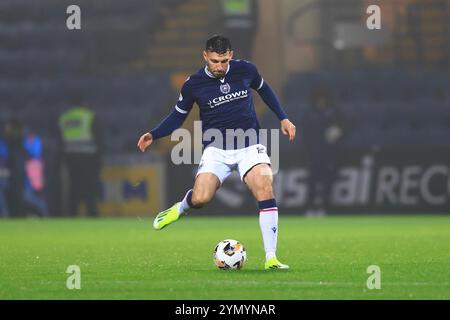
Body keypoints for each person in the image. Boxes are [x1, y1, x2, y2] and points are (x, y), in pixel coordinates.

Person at [137, 35, 296, 270]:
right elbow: (178, 116)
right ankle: (180, 208)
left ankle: (271, 257)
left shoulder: (246, 70)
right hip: (216, 150)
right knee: (201, 198)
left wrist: (283, 117)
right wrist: (154, 134)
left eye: (223, 61)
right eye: (214, 61)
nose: (219, 66)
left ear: (230, 55)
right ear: (205, 56)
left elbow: (266, 91)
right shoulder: (194, 84)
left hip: (249, 145)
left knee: (264, 185)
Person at [301, 88, 345, 217]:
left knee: (328, 182)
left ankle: (326, 208)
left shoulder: (334, 113)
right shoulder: (309, 114)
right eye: (318, 99)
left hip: (329, 153)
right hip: (314, 153)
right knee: (312, 182)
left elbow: (343, 127)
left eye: (323, 99)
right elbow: (305, 133)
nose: (321, 102)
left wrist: (338, 133)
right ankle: (309, 208)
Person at [58, 102, 102, 217]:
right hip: (88, 157)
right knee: (90, 187)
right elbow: (98, 136)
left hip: (70, 157)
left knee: (73, 187)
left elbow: (60, 140)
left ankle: (73, 214)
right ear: (84, 104)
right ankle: (91, 213)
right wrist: (99, 157)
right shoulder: (88, 116)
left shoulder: (64, 118)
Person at [23, 129, 49, 217]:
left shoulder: (37, 141)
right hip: (28, 171)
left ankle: (43, 212)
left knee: (35, 194)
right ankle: (34, 213)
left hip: (35, 169)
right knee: (27, 195)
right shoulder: (25, 140)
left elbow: (35, 154)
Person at [0, 126, 10, 217]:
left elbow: (3, 159)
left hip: (2, 172)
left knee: (1, 193)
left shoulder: (2, 143)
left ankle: (4, 213)